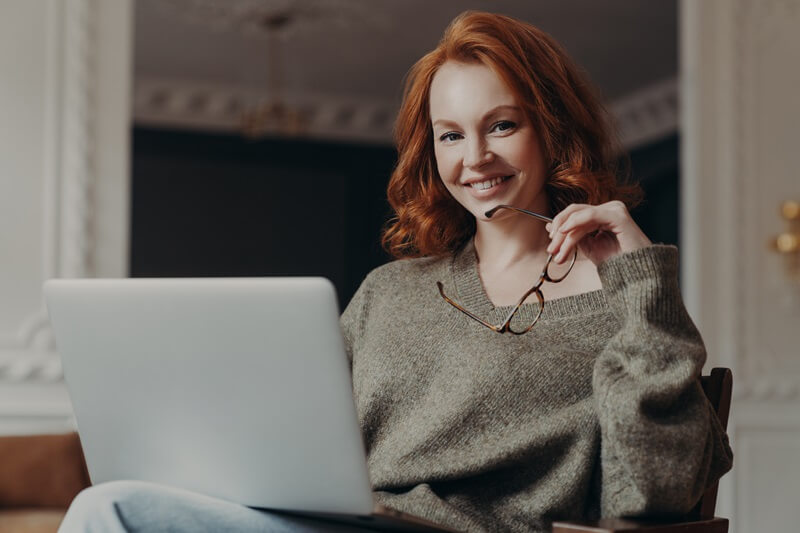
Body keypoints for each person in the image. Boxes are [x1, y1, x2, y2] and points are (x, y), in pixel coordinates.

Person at [59, 10, 733, 533]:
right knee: (111, 508)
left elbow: (654, 495)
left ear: (550, 128)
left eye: (501, 125)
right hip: (339, 523)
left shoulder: (627, 308)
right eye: (450, 134)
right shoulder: (388, 292)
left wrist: (643, 281)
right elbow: (303, 446)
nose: (474, 157)